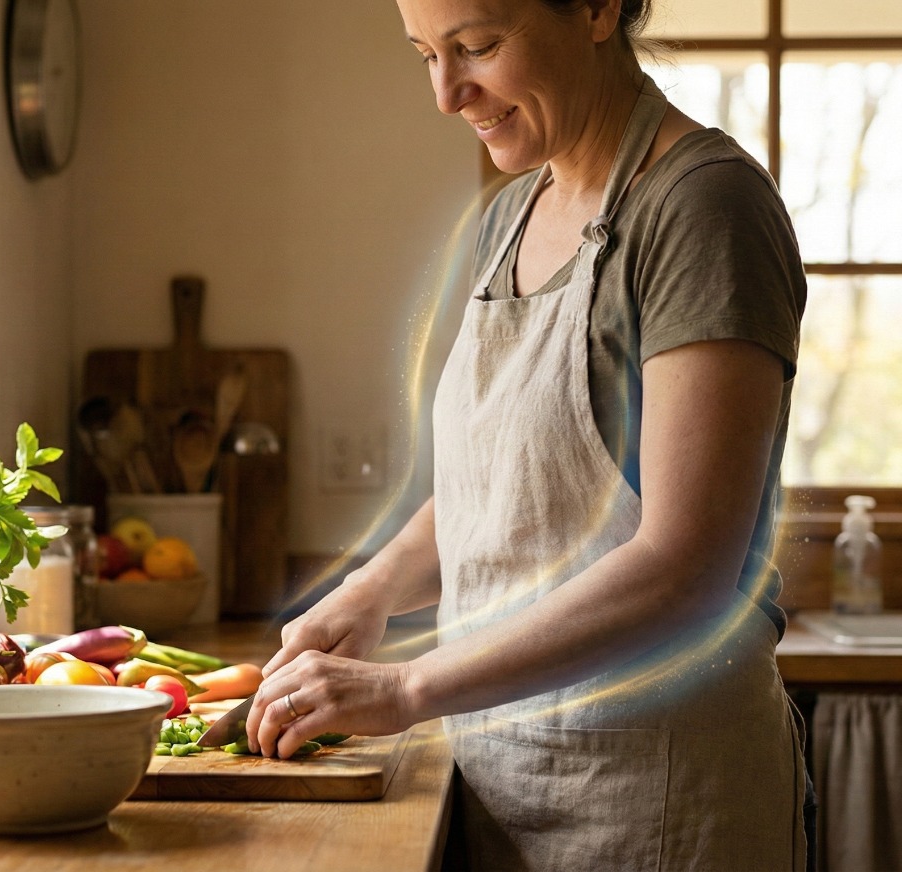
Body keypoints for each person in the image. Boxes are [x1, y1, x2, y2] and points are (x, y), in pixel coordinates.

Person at [245, 0, 809, 867]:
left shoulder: (704, 209)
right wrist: (375, 586)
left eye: (476, 47)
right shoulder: (512, 214)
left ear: (595, 8)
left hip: (656, 799)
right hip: (503, 778)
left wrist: (407, 686)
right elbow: (503, 488)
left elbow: (685, 568)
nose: (445, 93)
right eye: (424, 55)